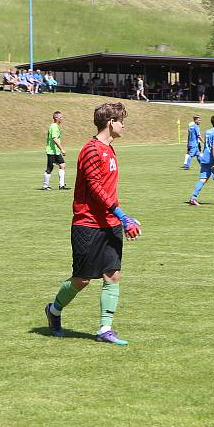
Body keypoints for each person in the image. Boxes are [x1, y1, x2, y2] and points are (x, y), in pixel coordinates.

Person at [44, 101, 141, 345]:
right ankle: (54, 310)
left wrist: (124, 217)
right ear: (111, 122)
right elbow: (96, 188)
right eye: (121, 122)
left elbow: (109, 189)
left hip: (110, 224)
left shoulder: (110, 150)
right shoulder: (91, 150)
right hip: (87, 224)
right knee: (82, 279)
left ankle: (105, 329)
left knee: (112, 275)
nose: (123, 126)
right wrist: (121, 215)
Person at [43, 111, 69, 190]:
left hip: (56, 151)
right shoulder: (53, 126)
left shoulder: (56, 126)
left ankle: (61, 185)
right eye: (60, 117)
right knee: (50, 168)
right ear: (56, 118)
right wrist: (62, 149)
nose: (62, 118)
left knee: (62, 165)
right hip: (51, 151)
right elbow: (54, 138)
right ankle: (45, 186)